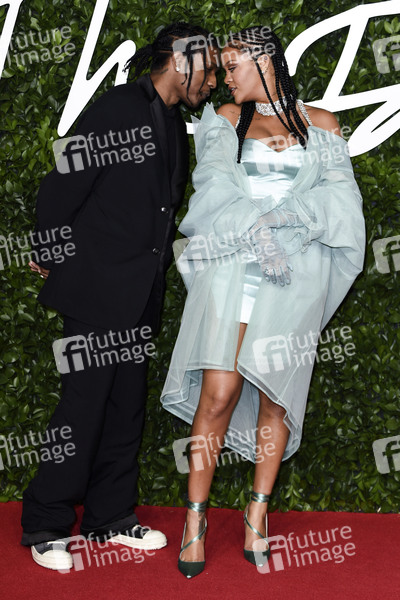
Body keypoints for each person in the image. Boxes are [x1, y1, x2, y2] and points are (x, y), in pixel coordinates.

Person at [161, 25, 365, 578]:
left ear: (265, 59)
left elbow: (341, 202)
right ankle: (195, 520)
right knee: (218, 393)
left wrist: (285, 219)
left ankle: (257, 514)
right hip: (233, 271)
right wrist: (258, 229)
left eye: (232, 66)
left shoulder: (322, 125)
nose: (224, 78)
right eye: (222, 69)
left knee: (276, 397)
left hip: (294, 278)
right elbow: (212, 187)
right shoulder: (224, 119)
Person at [22, 22, 218, 571]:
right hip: (96, 289)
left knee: (125, 410)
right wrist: (48, 246)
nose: (214, 81)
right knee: (81, 410)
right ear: (180, 61)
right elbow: (63, 182)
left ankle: (110, 517)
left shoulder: (174, 123)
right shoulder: (116, 109)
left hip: (139, 295)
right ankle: (46, 522)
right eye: (208, 70)